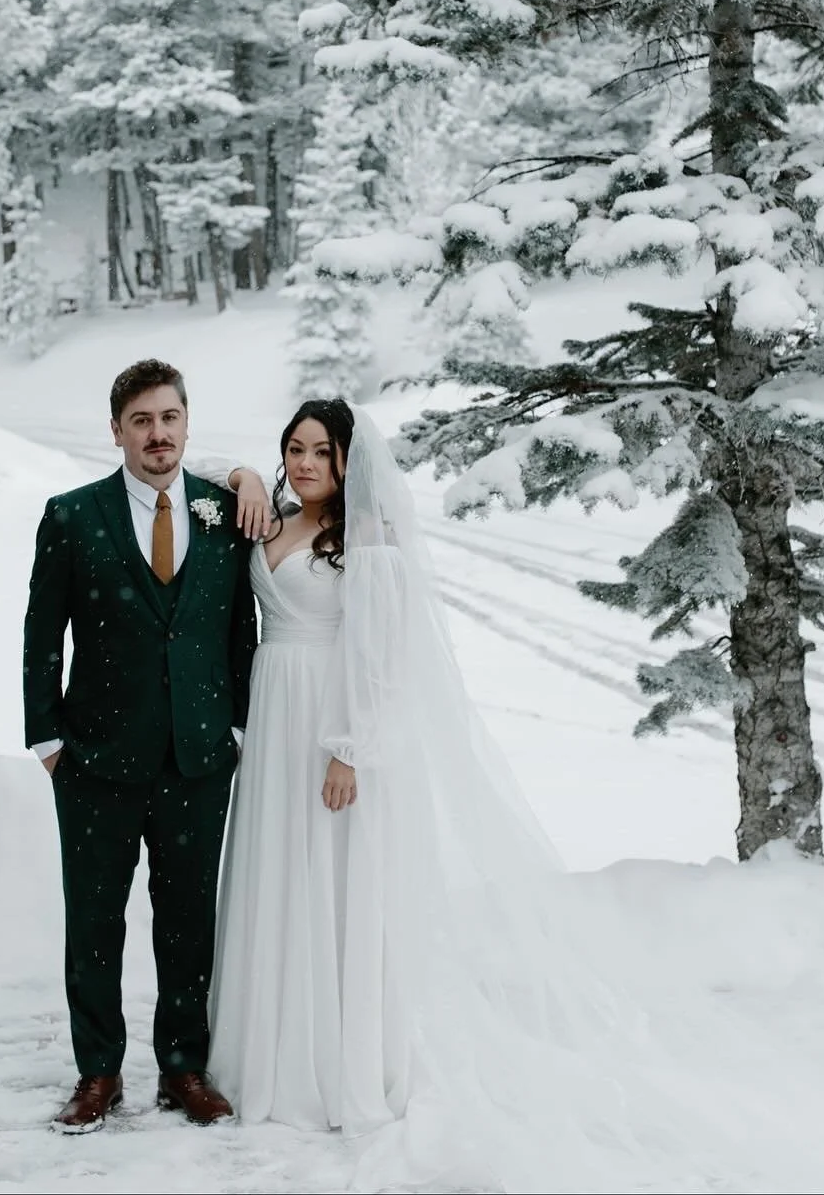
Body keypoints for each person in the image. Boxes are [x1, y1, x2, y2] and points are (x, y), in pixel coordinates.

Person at [209, 399, 628, 1182]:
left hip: (328, 723)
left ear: (348, 463)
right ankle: (272, 1043)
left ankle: (330, 1062)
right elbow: (199, 470)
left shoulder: (372, 541)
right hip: (274, 716)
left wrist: (349, 751)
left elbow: (378, 657)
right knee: (279, 876)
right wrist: (238, 471)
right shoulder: (273, 520)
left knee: (331, 884)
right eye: (291, 450)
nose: (303, 464)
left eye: (320, 453)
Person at [21, 357, 269, 1136]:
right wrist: (49, 742)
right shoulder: (72, 515)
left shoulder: (222, 512)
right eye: (141, 422)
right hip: (94, 762)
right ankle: (98, 1074)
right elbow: (41, 635)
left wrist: (233, 729)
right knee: (93, 922)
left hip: (197, 761)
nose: (157, 435)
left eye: (169, 419)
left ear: (186, 423)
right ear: (118, 431)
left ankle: (182, 1069)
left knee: (189, 920)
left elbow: (240, 632)